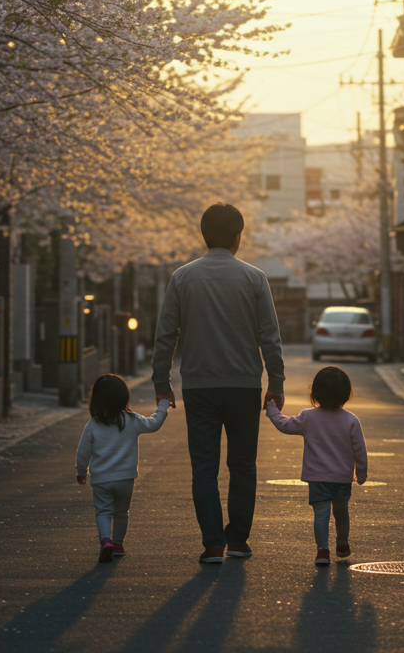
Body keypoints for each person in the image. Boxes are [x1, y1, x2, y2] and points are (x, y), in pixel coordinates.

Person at [152, 202, 285, 564]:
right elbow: (269, 336)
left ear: (203, 234)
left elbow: (165, 335)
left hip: (199, 386)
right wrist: (276, 381)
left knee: (205, 467)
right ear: (239, 236)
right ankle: (238, 540)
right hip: (244, 385)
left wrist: (161, 382)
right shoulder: (255, 278)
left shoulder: (182, 277)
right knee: (243, 465)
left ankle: (213, 543)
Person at [264, 366, 368, 565]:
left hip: (317, 477)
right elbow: (360, 451)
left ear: (315, 393)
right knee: (341, 511)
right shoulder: (351, 420)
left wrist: (272, 409)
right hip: (342, 478)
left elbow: (284, 425)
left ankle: (322, 551)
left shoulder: (308, 417)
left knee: (321, 514)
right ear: (346, 393)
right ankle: (342, 543)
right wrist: (361, 474)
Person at [75, 374, 170, 563]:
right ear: (124, 396)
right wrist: (163, 405)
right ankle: (117, 544)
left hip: (101, 479)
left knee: (103, 512)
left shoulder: (93, 424)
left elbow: (83, 451)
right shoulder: (131, 420)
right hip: (126, 479)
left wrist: (81, 471)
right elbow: (154, 424)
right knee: (121, 512)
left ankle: (106, 541)